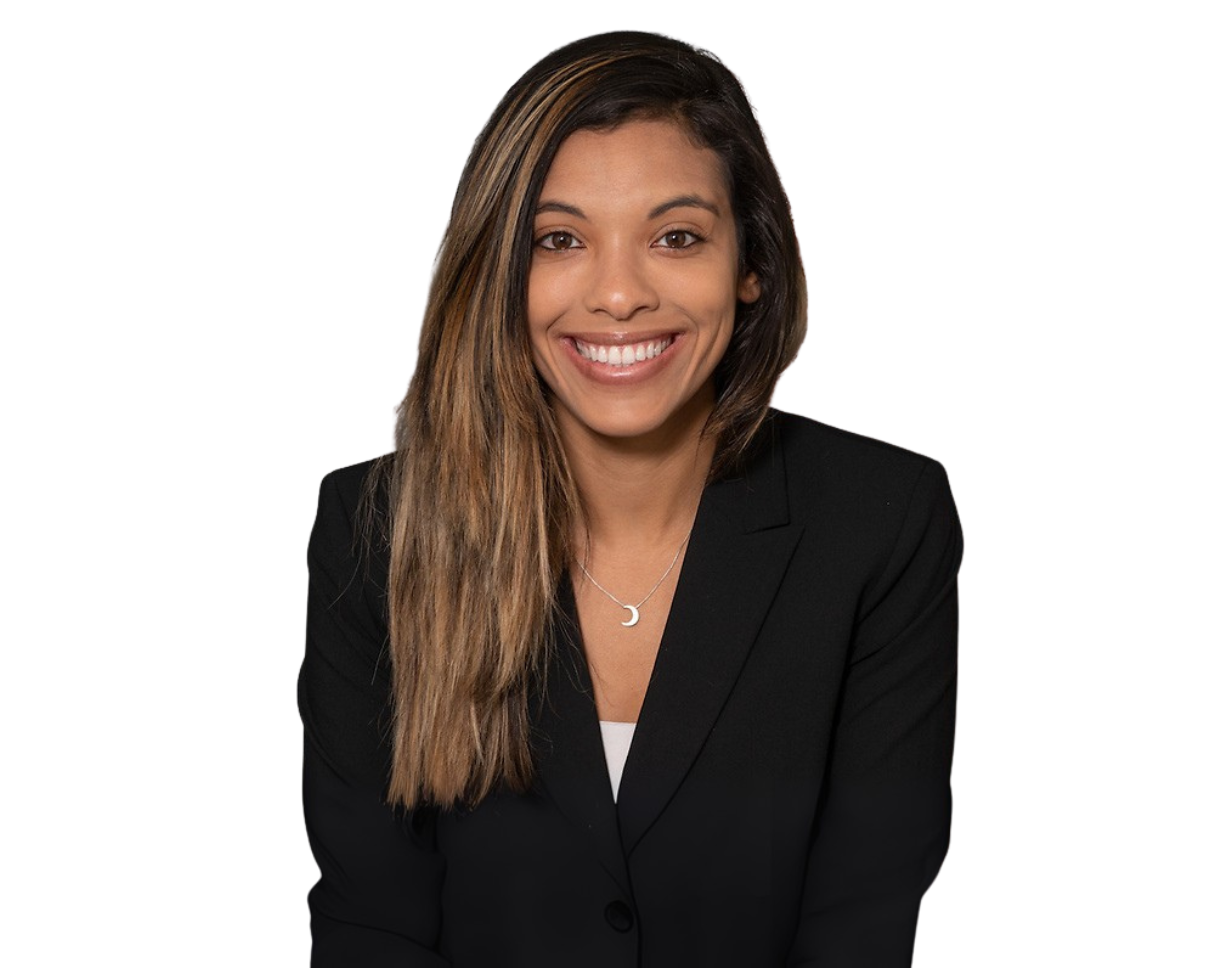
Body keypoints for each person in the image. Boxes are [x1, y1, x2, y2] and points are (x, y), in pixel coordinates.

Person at [301, 29, 961, 968]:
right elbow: (372, 923)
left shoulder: (882, 522)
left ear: (751, 266)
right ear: (501, 275)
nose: (617, 294)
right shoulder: (375, 529)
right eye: (559, 240)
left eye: (676, 236)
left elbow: (866, 917)